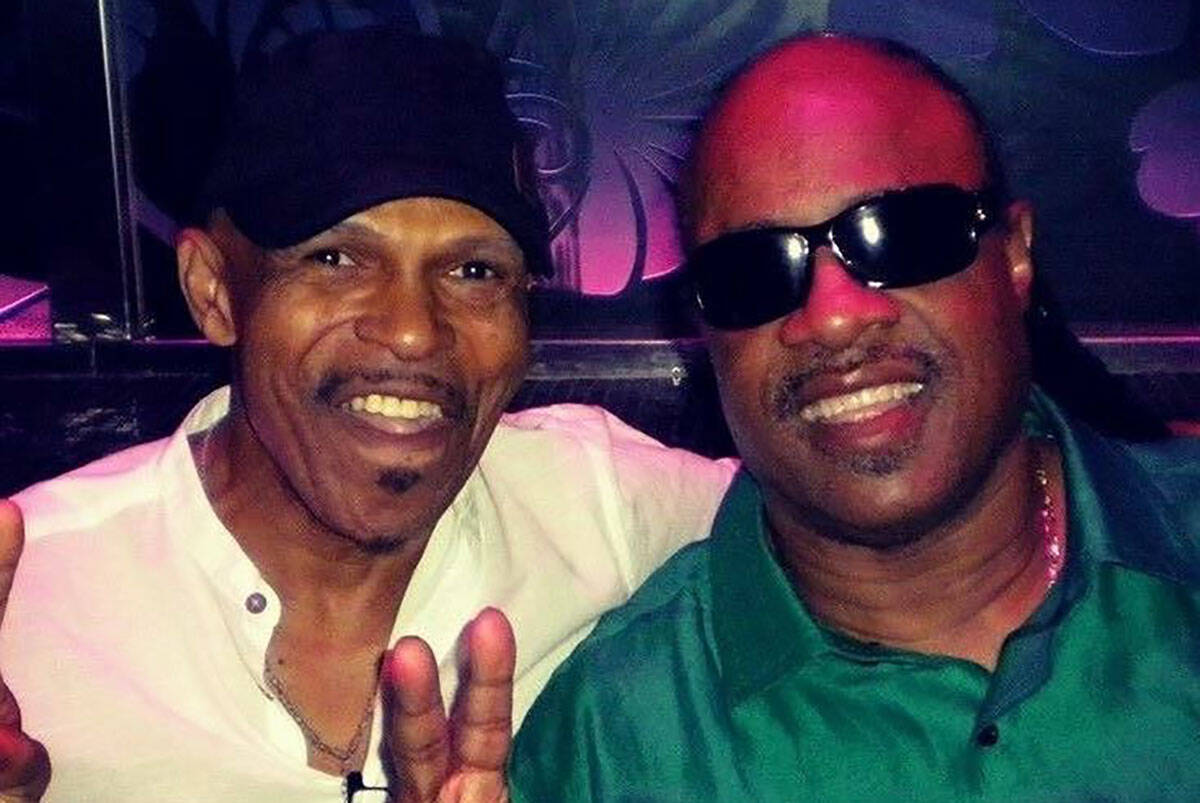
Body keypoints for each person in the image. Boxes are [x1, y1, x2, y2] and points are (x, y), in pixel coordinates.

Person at [0, 27, 735, 802]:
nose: (413, 330)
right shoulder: (37, 597)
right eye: (335, 259)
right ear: (213, 290)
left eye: (474, 270)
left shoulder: (604, 506)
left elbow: (822, 541)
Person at [510, 34, 1200, 801]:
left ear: (1014, 256)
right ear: (704, 330)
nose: (833, 316)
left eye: (901, 233)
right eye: (753, 271)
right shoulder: (613, 745)